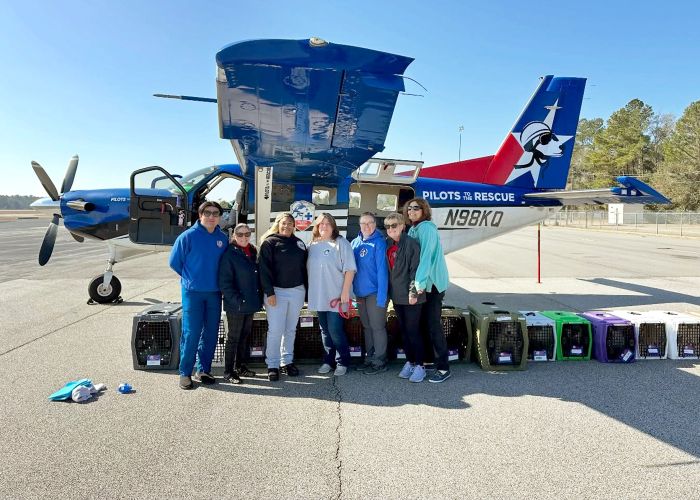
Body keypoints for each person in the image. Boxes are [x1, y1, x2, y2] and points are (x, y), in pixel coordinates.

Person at [169, 201, 229, 390]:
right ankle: (185, 372)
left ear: (219, 216)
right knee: (191, 332)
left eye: (216, 213)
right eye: (208, 213)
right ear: (200, 215)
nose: (212, 217)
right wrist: (192, 278)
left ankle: (203, 369)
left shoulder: (222, 238)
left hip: (214, 293)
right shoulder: (187, 237)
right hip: (193, 293)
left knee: (211, 333)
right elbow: (174, 263)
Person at [403, 198, 452, 383]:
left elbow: (426, 257)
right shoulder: (414, 229)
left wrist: (418, 284)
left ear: (424, 210)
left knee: (433, 325)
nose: (412, 211)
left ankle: (443, 367)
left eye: (416, 208)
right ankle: (430, 360)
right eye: (409, 208)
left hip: (431, 285)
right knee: (423, 324)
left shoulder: (426, 228)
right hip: (424, 284)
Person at [258, 212, 307, 382]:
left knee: (290, 329)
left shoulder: (299, 243)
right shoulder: (270, 243)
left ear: (295, 226)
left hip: (297, 291)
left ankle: (287, 361)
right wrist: (269, 292)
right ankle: (272, 364)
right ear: (278, 224)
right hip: (276, 293)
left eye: (290, 223)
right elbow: (264, 270)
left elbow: (305, 269)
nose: (287, 226)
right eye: (284, 223)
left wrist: (306, 292)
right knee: (276, 330)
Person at [307, 213, 357, 376]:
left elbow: (350, 269)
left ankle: (342, 361)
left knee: (335, 330)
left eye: (328, 223)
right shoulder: (312, 245)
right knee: (325, 331)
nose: (324, 226)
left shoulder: (341, 243)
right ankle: (328, 361)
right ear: (317, 226)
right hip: (319, 295)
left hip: (336, 296)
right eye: (321, 223)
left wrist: (345, 292)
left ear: (334, 226)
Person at [383, 212, 427, 382]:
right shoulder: (388, 244)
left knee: (413, 332)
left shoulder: (411, 244)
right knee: (405, 332)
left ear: (402, 226)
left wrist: (413, 292)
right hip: (397, 296)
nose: (391, 229)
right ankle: (410, 361)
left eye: (394, 225)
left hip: (411, 296)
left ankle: (420, 366)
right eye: (387, 226)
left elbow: (415, 270)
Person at [218, 223, 262, 384]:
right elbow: (225, 283)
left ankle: (241, 366)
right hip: (236, 305)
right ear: (234, 236)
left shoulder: (252, 251)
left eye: (247, 234)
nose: (244, 237)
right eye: (240, 234)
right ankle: (228, 372)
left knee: (244, 336)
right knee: (234, 338)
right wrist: (237, 300)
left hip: (250, 303)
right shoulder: (229, 254)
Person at [351, 212, 389, 374]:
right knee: (367, 327)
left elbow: (382, 272)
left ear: (375, 224)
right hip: (360, 294)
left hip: (375, 293)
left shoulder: (379, 243)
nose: (367, 226)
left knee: (377, 326)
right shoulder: (355, 243)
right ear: (359, 225)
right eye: (363, 223)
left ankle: (380, 360)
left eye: (370, 223)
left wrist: (382, 297)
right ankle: (370, 357)